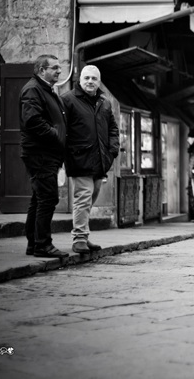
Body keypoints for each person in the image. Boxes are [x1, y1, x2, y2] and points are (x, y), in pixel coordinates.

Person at [62, 65, 119, 254]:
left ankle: (84, 237)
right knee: (83, 198)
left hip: (100, 159)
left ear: (99, 81)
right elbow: (61, 129)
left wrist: (112, 150)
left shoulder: (104, 102)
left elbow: (113, 128)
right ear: (79, 79)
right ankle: (79, 239)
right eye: (86, 78)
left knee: (91, 198)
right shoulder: (68, 100)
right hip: (79, 159)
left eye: (94, 79)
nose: (90, 82)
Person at [19, 54, 69, 258]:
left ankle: (34, 243)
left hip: (46, 152)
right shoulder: (33, 89)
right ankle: (42, 245)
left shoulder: (45, 89)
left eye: (59, 67)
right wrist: (56, 136)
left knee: (39, 199)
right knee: (48, 198)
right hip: (40, 153)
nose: (59, 71)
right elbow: (32, 121)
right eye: (54, 68)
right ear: (42, 70)